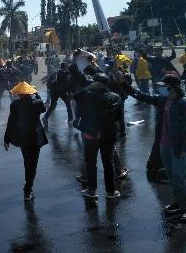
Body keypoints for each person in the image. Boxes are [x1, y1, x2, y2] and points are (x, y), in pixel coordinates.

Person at [129, 74, 186, 213]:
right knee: (172, 176)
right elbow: (141, 95)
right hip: (164, 144)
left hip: (178, 146)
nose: (160, 88)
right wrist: (125, 86)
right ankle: (179, 202)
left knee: (180, 177)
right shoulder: (162, 100)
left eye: (163, 86)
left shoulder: (182, 103)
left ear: (172, 87)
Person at [74, 73, 122, 200]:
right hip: (108, 133)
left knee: (91, 162)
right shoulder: (115, 97)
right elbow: (118, 117)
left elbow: (75, 96)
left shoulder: (88, 96)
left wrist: (87, 88)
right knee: (108, 163)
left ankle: (92, 190)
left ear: (96, 83)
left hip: (91, 133)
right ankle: (111, 191)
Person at [4, 82, 48, 202]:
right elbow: (43, 109)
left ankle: (27, 189)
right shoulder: (37, 103)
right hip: (35, 137)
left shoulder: (15, 105)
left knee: (27, 161)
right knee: (33, 164)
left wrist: (6, 139)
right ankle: (28, 189)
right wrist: (36, 93)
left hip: (23, 137)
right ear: (30, 92)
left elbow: (11, 122)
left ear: (19, 94)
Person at [42, 62, 73, 130]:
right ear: (65, 67)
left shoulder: (55, 72)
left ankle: (45, 117)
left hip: (54, 91)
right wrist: (69, 93)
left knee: (52, 105)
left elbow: (49, 82)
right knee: (68, 104)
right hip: (62, 91)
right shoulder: (65, 73)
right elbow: (68, 83)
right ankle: (70, 119)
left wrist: (50, 90)